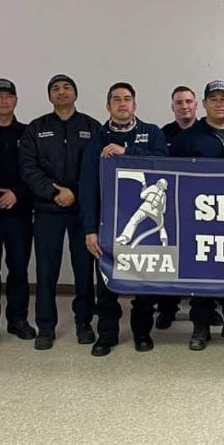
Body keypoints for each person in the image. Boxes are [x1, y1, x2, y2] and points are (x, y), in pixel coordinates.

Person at [80, 82, 168, 356]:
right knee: (107, 283)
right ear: (108, 106)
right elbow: (87, 187)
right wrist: (89, 229)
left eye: (127, 99)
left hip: (146, 218)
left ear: (135, 105)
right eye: (116, 99)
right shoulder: (97, 139)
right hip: (109, 224)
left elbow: (165, 163)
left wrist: (127, 152)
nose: (122, 103)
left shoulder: (151, 133)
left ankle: (142, 332)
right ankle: (107, 334)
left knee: (144, 281)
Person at [19, 74, 99, 350]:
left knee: (84, 270)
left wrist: (75, 192)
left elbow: (97, 166)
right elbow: (28, 168)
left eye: (67, 87)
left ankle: (84, 323)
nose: (61, 92)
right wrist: (55, 192)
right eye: (55, 88)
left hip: (82, 211)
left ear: (75, 93)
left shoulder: (91, 127)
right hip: (47, 210)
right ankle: (45, 326)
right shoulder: (36, 128)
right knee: (46, 271)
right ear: (49, 95)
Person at [171, 80, 224, 350]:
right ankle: (201, 327)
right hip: (200, 218)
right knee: (201, 273)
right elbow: (173, 177)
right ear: (204, 104)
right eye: (213, 99)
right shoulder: (188, 137)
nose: (219, 104)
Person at [0, 78, 35, 341]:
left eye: (8, 96)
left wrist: (17, 193)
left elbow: (34, 171)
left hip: (19, 212)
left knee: (18, 270)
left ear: (16, 100)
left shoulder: (27, 133)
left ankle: (18, 320)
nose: (3, 100)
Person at [157, 85, 198, 327]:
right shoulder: (163, 134)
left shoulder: (206, 131)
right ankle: (166, 308)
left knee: (200, 258)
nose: (184, 106)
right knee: (169, 257)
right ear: (172, 107)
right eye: (179, 102)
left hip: (201, 207)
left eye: (188, 102)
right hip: (172, 206)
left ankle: (203, 307)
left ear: (196, 105)